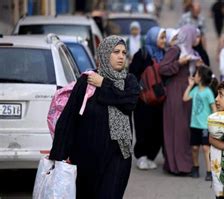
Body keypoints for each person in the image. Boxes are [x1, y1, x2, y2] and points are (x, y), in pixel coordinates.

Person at [49, 35, 140, 198]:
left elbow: (129, 102)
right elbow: (69, 117)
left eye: (124, 52)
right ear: (105, 54)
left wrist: (103, 83)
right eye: (116, 52)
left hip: (117, 155)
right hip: (86, 156)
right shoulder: (87, 80)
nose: (121, 56)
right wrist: (58, 155)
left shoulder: (129, 81)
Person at [159, 25, 204, 175]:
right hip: (175, 93)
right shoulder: (176, 50)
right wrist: (179, 63)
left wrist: (200, 67)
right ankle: (176, 165)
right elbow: (163, 69)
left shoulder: (192, 52)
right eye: (195, 36)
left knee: (185, 130)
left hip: (187, 92)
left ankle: (184, 164)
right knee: (177, 129)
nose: (197, 39)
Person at [128, 26, 167, 170]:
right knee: (143, 127)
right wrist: (140, 89)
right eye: (161, 37)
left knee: (157, 129)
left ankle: (151, 156)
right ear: (153, 38)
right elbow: (132, 74)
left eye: (164, 37)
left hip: (159, 100)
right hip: (143, 100)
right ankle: (141, 156)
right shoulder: (142, 54)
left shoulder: (164, 54)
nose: (164, 40)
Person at [183, 66, 218, 181]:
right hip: (194, 125)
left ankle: (209, 171)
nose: (194, 76)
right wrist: (190, 85)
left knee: (206, 148)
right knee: (194, 148)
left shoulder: (208, 92)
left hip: (205, 126)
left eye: (196, 74)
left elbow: (213, 107)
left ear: (201, 77)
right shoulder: (195, 90)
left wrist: (216, 122)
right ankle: (195, 167)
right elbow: (185, 98)